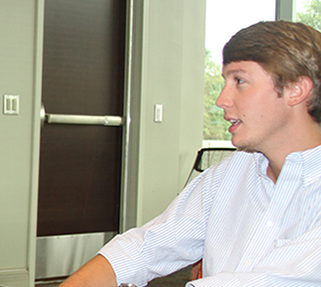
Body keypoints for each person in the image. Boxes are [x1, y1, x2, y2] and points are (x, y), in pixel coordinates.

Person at [60, 20, 321, 287]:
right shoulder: (229, 175)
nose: (221, 100)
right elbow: (149, 247)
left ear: (295, 90)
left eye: (239, 80)